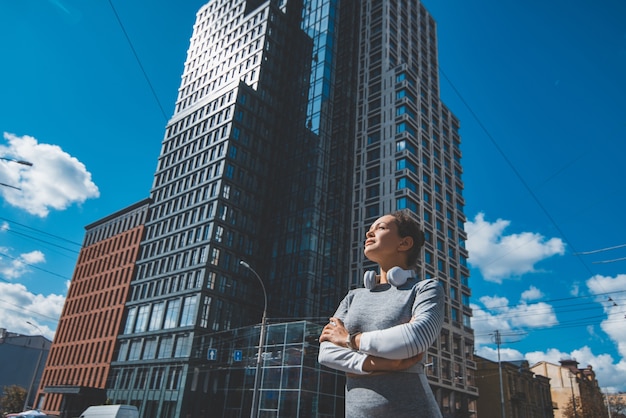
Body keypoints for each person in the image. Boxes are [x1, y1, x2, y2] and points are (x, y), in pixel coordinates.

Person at [318, 210, 444, 417]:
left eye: (381, 228)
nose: (369, 234)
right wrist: (385, 363)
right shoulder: (353, 296)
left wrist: (349, 340)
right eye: (369, 230)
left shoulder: (425, 289)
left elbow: (415, 338)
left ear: (404, 243)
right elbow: (326, 353)